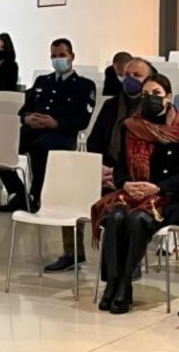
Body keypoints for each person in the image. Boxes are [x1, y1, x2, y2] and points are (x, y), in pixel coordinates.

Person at [44, 57, 153, 272]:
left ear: (149, 80)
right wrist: (100, 169)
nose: (130, 79)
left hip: (137, 176)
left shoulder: (153, 110)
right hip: (107, 171)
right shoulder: (111, 105)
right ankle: (72, 253)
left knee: (127, 206)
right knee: (72, 190)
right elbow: (94, 142)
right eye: (127, 75)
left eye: (137, 76)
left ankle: (131, 259)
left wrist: (122, 176)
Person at [92, 74, 179, 314]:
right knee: (115, 216)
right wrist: (127, 183)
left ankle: (124, 282)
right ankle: (112, 283)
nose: (151, 99)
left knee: (138, 219)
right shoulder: (130, 126)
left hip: (168, 197)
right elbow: (119, 165)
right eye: (146, 94)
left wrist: (158, 187)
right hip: (132, 192)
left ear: (169, 97)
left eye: (156, 94)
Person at [0, 38, 96, 212]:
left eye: (62, 55)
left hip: (62, 134)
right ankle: (19, 194)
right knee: (0, 147)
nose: (58, 59)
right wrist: (27, 118)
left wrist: (56, 123)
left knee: (39, 147)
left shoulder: (84, 85)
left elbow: (82, 120)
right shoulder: (43, 81)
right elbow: (24, 110)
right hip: (33, 130)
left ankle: (36, 196)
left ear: (72, 56)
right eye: (54, 56)